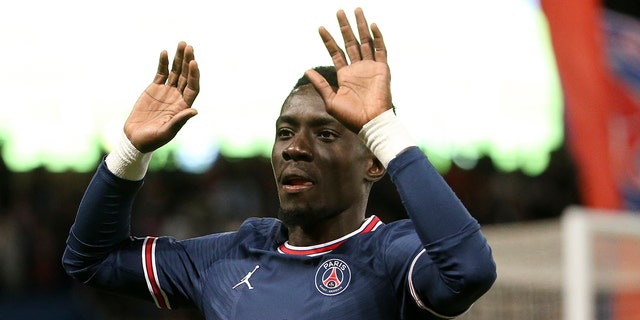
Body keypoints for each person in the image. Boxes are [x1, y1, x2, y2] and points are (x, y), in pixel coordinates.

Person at [63, 7, 496, 319]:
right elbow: (91, 260)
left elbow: (470, 271)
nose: (294, 148)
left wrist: (382, 129)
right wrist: (129, 151)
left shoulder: (392, 256)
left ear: (374, 164)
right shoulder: (228, 256)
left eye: (325, 134)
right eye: (285, 133)